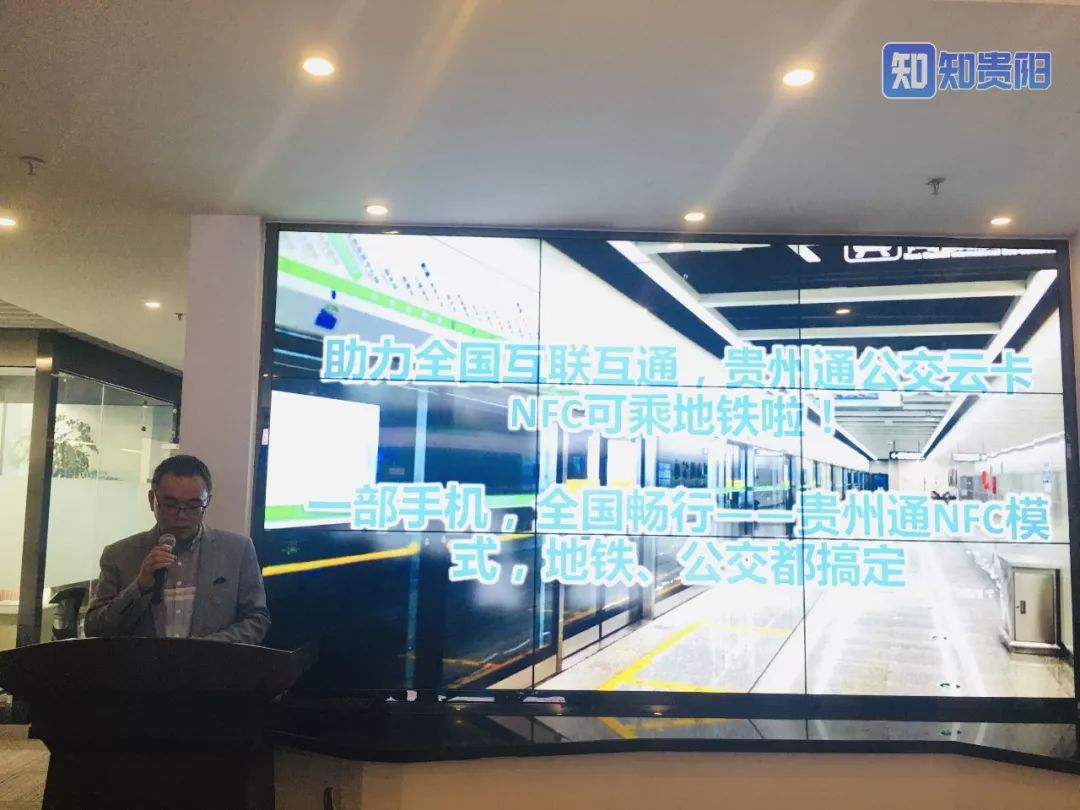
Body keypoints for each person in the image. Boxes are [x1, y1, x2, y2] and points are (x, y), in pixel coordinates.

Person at [85, 454, 270, 644]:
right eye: (170, 504)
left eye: (193, 505)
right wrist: (139, 587)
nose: (181, 515)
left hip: (212, 662)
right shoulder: (119, 555)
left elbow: (257, 620)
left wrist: (207, 649)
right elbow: (94, 628)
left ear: (207, 502)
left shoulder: (238, 551)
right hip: (143, 663)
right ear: (152, 499)